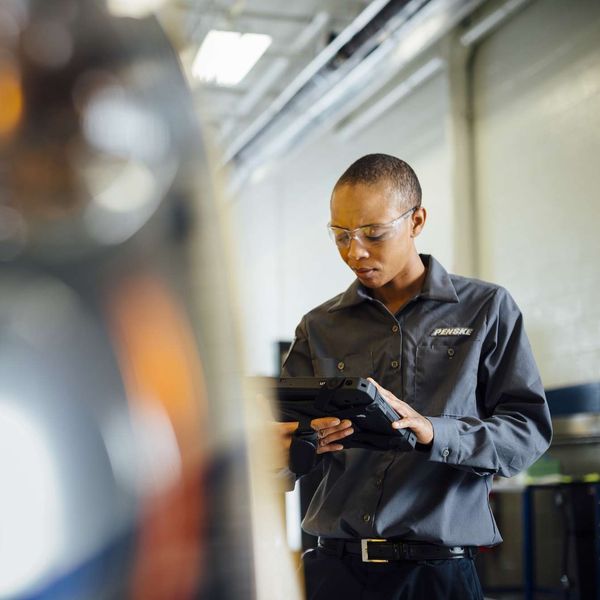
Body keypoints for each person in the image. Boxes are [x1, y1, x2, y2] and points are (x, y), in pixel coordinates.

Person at [280, 153, 552, 600]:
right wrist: (284, 449)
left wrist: (434, 432)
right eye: (341, 236)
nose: (356, 252)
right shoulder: (319, 327)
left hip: (436, 578)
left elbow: (527, 434)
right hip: (334, 572)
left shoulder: (486, 310)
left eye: (373, 233)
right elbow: (286, 444)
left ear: (417, 220)